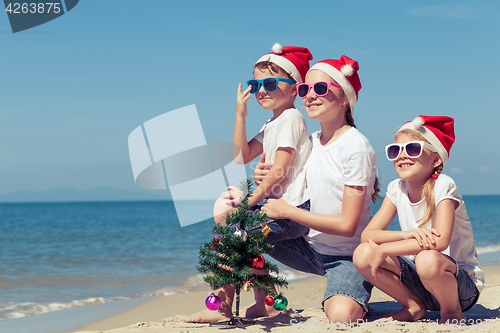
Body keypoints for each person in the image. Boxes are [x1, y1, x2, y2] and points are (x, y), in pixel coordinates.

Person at [185, 43, 313, 323]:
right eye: (256, 85)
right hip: (276, 206)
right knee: (241, 234)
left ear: (294, 88)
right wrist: (240, 115)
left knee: (235, 235)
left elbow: (279, 170)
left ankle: (222, 306)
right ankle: (264, 302)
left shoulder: (291, 118)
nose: (261, 90)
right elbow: (241, 155)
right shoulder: (272, 123)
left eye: (270, 82)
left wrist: (248, 204)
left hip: (291, 210)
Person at [259, 56, 380, 323]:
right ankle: (263, 301)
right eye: (305, 89)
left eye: (321, 88)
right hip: (306, 248)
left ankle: (352, 289)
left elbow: (348, 225)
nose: (310, 96)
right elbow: (285, 182)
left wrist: (288, 211)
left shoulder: (356, 147)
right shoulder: (310, 141)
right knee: (241, 230)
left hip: (346, 257)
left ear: (345, 97)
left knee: (341, 316)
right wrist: (263, 176)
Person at [353, 116, 485, 324]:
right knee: (362, 253)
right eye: (395, 150)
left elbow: (440, 242)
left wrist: (386, 248)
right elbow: (368, 235)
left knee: (427, 258)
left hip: (459, 287)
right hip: (423, 283)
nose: (402, 155)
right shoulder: (396, 188)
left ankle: (451, 312)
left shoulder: (444, 185)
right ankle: (414, 306)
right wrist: (407, 234)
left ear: (436, 159)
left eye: (413, 148)